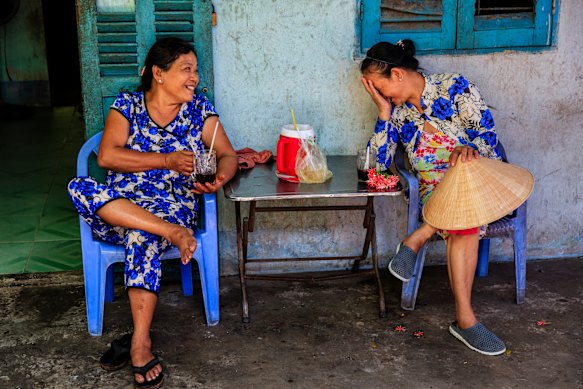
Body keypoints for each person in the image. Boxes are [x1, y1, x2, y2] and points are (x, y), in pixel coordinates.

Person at [68, 37, 237, 387]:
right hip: (118, 209)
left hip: (173, 208)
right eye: (186, 69)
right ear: (159, 74)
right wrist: (166, 160)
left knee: (142, 235)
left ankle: (140, 343)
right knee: (78, 186)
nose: (194, 77)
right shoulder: (127, 105)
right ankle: (166, 232)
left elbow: (228, 155)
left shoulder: (199, 110)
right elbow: (107, 157)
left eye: (196, 70)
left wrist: (219, 178)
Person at [360, 39, 506, 356]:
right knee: (462, 222)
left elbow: (488, 137)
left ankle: (419, 236)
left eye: (381, 90)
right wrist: (383, 113)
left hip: (478, 175)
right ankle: (465, 320)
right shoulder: (397, 115)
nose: (382, 97)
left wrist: (468, 149)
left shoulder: (455, 87)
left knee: (462, 177)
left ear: (397, 74)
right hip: (435, 192)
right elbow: (378, 170)